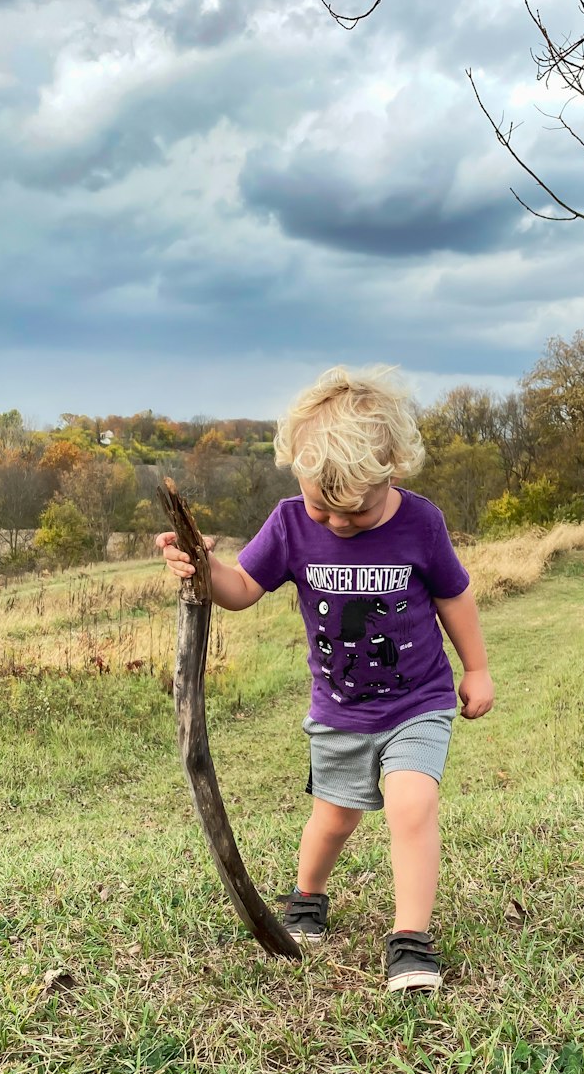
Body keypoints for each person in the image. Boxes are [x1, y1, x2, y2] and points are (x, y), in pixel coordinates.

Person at [156, 367, 494, 992]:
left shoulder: (421, 523)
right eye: (322, 507)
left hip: (418, 701)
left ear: (392, 469)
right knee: (334, 818)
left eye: (356, 511)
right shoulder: (290, 525)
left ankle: (411, 940)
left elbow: (455, 597)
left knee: (411, 805)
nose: (337, 523)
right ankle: (309, 894)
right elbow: (240, 591)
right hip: (339, 711)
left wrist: (475, 667)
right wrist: (201, 564)